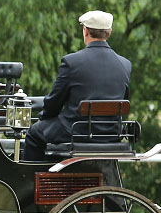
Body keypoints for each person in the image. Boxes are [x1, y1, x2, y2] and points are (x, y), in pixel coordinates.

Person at [23, 10, 132, 161]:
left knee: (34, 134)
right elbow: (123, 102)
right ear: (110, 32)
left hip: (75, 131)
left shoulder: (72, 62)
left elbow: (54, 102)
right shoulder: (125, 64)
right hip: (111, 134)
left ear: (85, 31)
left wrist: (44, 118)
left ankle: (34, 182)